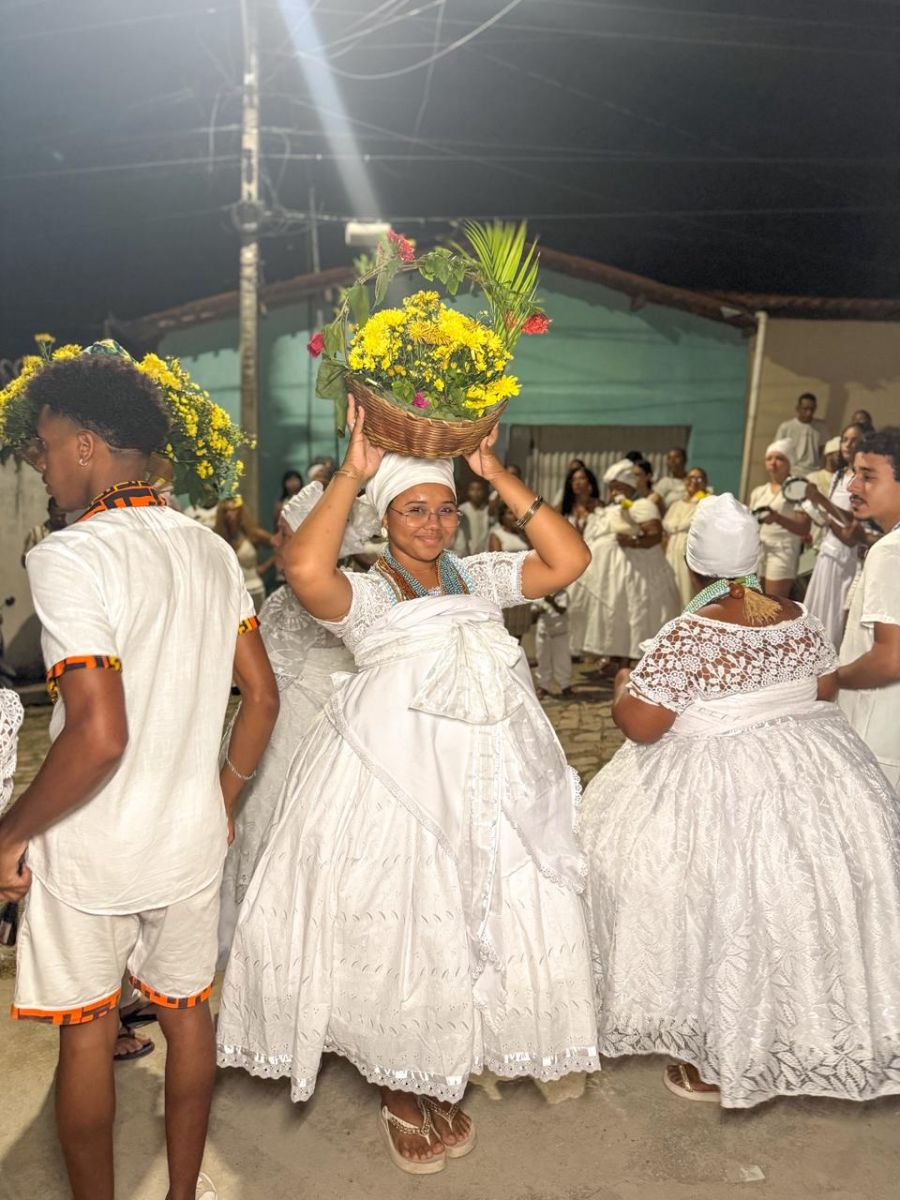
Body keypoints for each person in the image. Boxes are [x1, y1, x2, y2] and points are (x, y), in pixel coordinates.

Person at [217, 397, 599, 1174]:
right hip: (393, 788)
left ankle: (437, 1064)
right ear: (386, 515)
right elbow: (304, 570)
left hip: (486, 784)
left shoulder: (478, 577)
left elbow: (569, 561)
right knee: (403, 925)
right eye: (414, 509)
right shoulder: (367, 592)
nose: (432, 524)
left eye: (445, 509)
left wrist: (496, 473)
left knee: (465, 921)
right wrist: (353, 472)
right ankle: (400, 1083)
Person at [0, 350, 280, 1200]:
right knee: (188, 1015)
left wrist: (10, 832)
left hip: (93, 848)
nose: (42, 463)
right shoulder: (211, 551)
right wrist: (220, 800)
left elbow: (99, 734)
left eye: (47, 446)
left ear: (86, 445)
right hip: (189, 837)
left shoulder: (70, 556)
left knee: (87, 1035)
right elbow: (263, 697)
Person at [581, 492, 900, 1108]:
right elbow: (824, 688)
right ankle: (804, 1028)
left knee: (707, 903)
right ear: (753, 559)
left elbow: (642, 726)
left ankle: (717, 1050)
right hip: (815, 777)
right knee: (792, 903)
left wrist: (624, 685)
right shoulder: (798, 615)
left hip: (721, 789)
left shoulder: (689, 635)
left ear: (692, 564)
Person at [218, 480, 378, 957]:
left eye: (287, 534)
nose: (276, 542)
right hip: (267, 747)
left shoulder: (351, 599)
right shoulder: (280, 601)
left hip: (317, 750)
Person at [837, 427, 900, 787]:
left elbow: (891, 658)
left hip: (878, 741)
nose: (853, 486)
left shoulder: (890, 551)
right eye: (854, 473)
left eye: (868, 476)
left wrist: (832, 679)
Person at [803, 424, 865, 646]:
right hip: (827, 553)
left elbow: (851, 530)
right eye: (845, 439)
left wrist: (822, 502)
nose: (848, 445)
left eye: (854, 440)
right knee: (817, 610)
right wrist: (818, 512)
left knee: (834, 617)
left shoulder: (862, 479)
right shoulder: (839, 475)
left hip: (845, 558)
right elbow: (832, 517)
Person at [749, 439, 811, 597]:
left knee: (774, 603)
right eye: (769, 458)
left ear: (790, 463)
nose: (773, 462)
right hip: (760, 550)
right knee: (757, 600)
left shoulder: (798, 488)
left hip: (783, 550)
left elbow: (804, 527)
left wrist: (777, 518)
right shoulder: (759, 492)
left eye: (780, 458)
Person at [215, 496, 274, 612]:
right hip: (230, 593)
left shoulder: (253, 534)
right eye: (226, 511)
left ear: (240, 511)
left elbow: (280, 544)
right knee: (235, 624)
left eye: (233, 510)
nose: (229, 514)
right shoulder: (219, 538)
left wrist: (265, 567)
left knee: (252, 622)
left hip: (254, 589)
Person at [662, 467, 709, 605]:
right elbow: (666, 528)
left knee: (687, 590)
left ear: (705, 482)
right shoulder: (676, 504)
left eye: (698, 478)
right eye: (690, 478)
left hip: (691, 551)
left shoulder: (707, 503)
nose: (693, 482)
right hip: (672, 550)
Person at [775, 392, 828, 478]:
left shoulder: (821, 427)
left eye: (812, 409)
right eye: (805, 409)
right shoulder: (786, 427)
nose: (809, 413)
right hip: (792, 472)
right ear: (798, 408)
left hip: (814, 473)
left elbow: (825, 451)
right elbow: (778, 451)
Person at [532, 591, 571, 699]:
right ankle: (542, 686)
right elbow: (533, 614)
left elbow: (562, 610)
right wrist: (539, 611)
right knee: (542, 660)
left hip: (560, 633)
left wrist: (551, 602)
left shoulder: (563, 594)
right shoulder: (539, 594)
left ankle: (565, 686)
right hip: (543, 632)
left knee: (562, 660)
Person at [21, 497, 67, 564]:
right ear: (49, 511)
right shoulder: (36, 533)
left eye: (62, 515)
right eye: (56, 515)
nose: (59, 519)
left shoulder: (71, 532)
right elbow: (25, 560)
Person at [454, 477, 492, 556]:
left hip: (485, 553)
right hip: (466, 553)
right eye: (472, 489)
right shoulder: (462, 509)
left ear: (484, 492)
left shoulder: (488, 510)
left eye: (479, 489)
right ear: (468, 492)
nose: (476, 493)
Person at [560, 463, 601, 533]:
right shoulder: (564, 506)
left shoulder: (598, 505)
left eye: (582, 478)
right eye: (573, 480)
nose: (577, 483)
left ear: (590, 482)